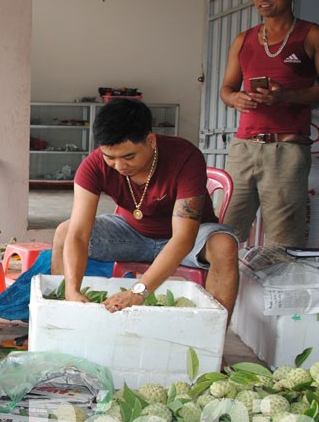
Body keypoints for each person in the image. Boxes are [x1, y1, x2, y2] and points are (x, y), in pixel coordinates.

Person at [52, 98, 239, 316]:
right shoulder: (93, 166)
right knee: (64, 233)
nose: (120, 166)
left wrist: (138, 291)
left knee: (224, 246)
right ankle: (62, 314)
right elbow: (79, 233)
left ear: (150, 140)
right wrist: (73, 290)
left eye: (128, 156)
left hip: (186, 237)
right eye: (110, 157)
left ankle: (212, 341)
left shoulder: (185, 157)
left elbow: (183, 238)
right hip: (130, 233)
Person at [219, 0, 319, 247]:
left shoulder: (313, 35)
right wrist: (235, 98)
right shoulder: (244, 39)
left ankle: (279, 291)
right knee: (223, 233)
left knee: (283, 241)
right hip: (243, 148)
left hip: (287, 150)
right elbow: (226, 89)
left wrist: (287, 96)